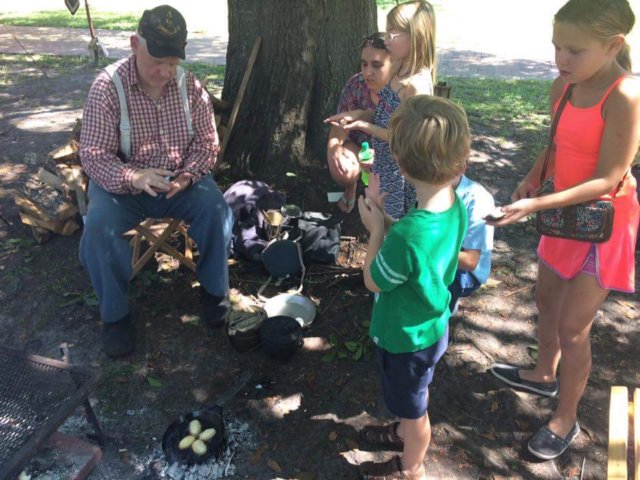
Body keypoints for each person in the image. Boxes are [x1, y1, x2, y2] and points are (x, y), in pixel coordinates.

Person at [488, 0, 640, 460]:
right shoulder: (564, 85)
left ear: (613, 45)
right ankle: (543, 373)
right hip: (561, 216)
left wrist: (536, 203)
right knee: (546, 299)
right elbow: (555, 145)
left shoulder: (625, 95)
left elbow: (608, 178)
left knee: (574, 328)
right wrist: (533, 177)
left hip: (601, 225)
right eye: (557, 47)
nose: (561, 59)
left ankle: (565, 418)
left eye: (575, 50)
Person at [79, 5, 233, 358]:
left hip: (179, 180)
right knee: (98, 229)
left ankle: (214, 291)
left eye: (173, 63)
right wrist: (133, 176)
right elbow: (94, 155)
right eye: (158, 61)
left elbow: (207, 143)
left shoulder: (189, 86)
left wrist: (188, 175)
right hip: (124, 184)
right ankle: (115, 317)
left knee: (217, 211)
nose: (165, 72)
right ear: (135, 44)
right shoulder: (108, 87)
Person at [356, 95, 469, 480]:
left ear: (401, 165)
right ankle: (404, 432)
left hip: (406, 339)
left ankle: (411, 466)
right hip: (430, 327)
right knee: (415, 396)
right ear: (460, 160)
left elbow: (373, 279)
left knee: (416, 410)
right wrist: (385, 220)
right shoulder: (454, 205)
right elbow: (417, 251)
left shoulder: (406, 235)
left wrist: (375, 231)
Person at [325, 0, 436, 219]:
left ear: (416, 37)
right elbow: (388, 117)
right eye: (387, 31)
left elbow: (403, 138)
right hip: (384, 167)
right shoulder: (398, 70)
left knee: (392, 225)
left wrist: (363, 124)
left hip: (400, 175)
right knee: (380, 223)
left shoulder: (416, 85)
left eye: (393, 33)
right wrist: (359, 114)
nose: (387, 39)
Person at [327, 33, 392, 213]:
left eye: (376, 65)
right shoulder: (355, 85)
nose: (368, 72)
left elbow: (407, 142)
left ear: (393, 63)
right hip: (358, 148)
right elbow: (339, 126)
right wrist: (333, 150)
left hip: (392, 156)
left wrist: (380, 158)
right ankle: (351, 187)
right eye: (364, 64)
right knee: (341, 168)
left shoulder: (401, 92)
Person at [449, 169, 495, 315]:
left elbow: (470, 261)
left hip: (467, 272)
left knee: (426, 283)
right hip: (440, 258)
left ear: (461, 167)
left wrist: (425, 248)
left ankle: (442, 316)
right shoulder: (428, 188)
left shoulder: (477, 199)